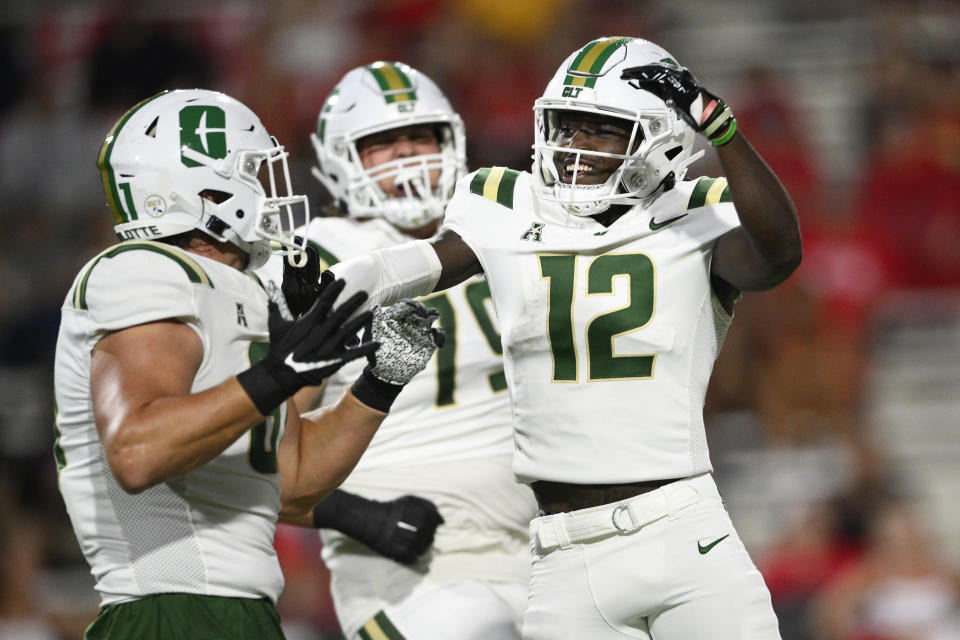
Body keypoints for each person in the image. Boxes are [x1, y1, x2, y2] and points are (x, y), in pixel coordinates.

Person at [326, 37, 803, 639]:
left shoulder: (697, 212)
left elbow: (778, 255)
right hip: (562, 552)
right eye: (566, 127)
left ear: (663, 141)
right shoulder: (504, 201)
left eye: (599, 131)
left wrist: (725, 133)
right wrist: (338, 284)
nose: (573, 149)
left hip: (684, 533)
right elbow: (423, 261)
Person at [53, 89, 443, 640]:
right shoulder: (142, 268)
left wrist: (380, 381)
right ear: (198, 188)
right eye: (251, 173)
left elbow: (291, 483)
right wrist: (281, 372)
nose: (265, 190)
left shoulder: (237, 291)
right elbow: (138, 451)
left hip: (239, 613)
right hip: (170, 611)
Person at [269, 61, 538, 640]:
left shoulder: (503, 230)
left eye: (422, 137)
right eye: (383, 144)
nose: (410, 155)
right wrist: (355, 516)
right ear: (341, 160)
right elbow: (263, 448)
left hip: (545, 547)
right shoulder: (319, 257)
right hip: (409, 567)